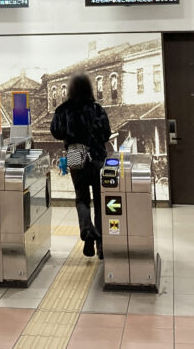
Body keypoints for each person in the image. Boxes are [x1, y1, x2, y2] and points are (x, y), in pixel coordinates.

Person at [50, 73, 111, 258]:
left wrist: (71, 133)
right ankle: (101, 245)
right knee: (100, 201)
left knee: (81, 198)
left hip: (75, 153)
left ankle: (87, 232)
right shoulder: (97, 109)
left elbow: (56, 132)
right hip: (97, 155)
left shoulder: (64, 110)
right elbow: (106, 134)